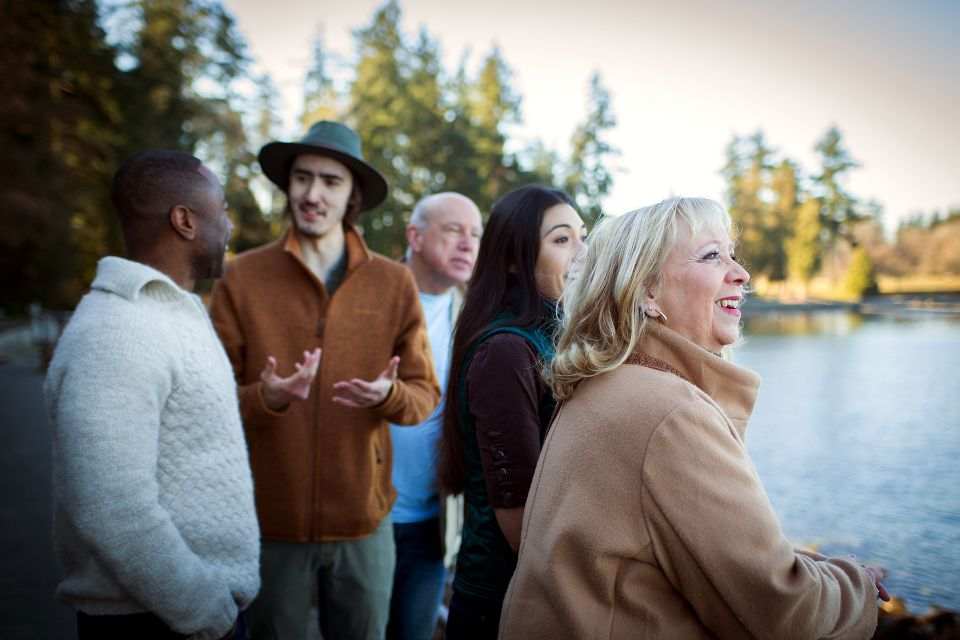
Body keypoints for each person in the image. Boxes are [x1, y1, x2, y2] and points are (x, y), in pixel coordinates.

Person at [498, 197, 888, 639]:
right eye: (711, 256)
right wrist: (855, 582)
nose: (741, 273)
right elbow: (782, 611)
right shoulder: (670, 413)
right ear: (645, 290)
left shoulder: (609, 385)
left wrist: (809, 565)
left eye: (732, 255)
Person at [209, 120, 441, 640]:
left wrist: (391, 396)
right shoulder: (240, 277)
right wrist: (264, 397)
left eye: (330, 182)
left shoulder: (393, 281)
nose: (312, 194)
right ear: (287, 185)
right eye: (302, 178)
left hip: (364, 524)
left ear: (353, 194)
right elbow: (209, 401)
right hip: (271, 524)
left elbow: (425, 395)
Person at [45, 150, 259, 640]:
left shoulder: (167, 314)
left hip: (187, 614)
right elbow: (110, 507)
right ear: (184, 220)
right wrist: (206, 613)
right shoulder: (116, 333)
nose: (228, 226)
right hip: (158, 621)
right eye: (221, 210)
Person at [437, 185, 587, 639]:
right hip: (503, 601)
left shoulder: (553, 336)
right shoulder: (506, 350)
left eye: (584, 236)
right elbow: (518, 514)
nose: (583, 252)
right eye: (562, 240)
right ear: (511, 259)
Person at [387, 193, 484, 640]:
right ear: (415, 236)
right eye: (453, 230)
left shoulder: (474, 318)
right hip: (362, 519)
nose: (468, 244)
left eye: (476, 234)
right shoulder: (368, 300)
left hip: (432, 523)